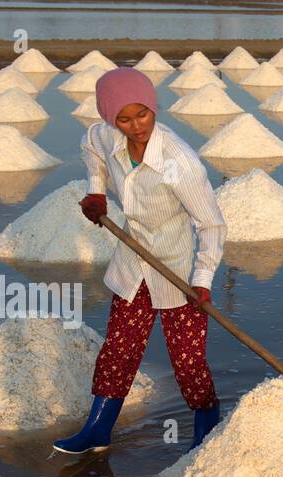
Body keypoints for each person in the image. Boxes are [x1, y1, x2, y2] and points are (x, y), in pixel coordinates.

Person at [55, 67, 227, 455]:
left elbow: (212, 225)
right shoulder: (104, 135)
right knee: (118, 350)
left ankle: (206, 435)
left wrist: (202, 279)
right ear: (110, 118)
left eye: (143, 114)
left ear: (154, 107)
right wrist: (96, 192)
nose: (136, 127)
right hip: (133, 263)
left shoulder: (178, 161)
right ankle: (97, 429)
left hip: (177, 271)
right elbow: (89, 145)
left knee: (187, 362)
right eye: (124, 119)